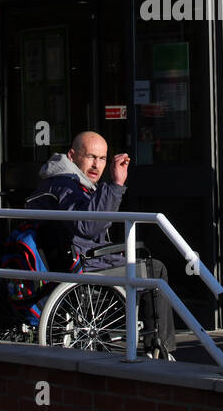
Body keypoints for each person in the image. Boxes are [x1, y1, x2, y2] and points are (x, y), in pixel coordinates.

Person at [28, 132, 176, 355]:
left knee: (135, 260)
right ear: (72, 155)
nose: (96, 165)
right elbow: (89, 226)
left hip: (67, 264)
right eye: (90, 157)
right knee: (155, 269)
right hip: (83, 267)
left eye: (102, 158)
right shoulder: (67, 186)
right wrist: (116, 184)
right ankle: (160, 347)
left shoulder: (53, 183)